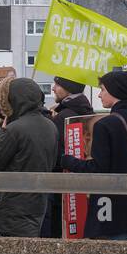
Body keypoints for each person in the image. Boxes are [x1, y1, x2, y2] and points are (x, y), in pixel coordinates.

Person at [58, 70, 127, 240]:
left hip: (111, 209)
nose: (100, 95)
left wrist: (68, 161)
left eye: (102, 89)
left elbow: (98, 169)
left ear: (115, 91)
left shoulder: (106, 125)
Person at [0, 77, 57, 237]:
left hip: (14, 202)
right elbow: (52, 161)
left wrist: (2, 131)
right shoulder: (50, 125)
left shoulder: (14, 129)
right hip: (39, 200)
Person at [43, 76, 94, 237]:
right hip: (83, 185)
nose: (53, 88)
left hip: (61, 187)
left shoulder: (63, 116)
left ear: (68, 87)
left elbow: (53, 153)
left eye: (57, 84)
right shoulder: (86, 112)